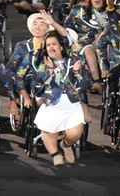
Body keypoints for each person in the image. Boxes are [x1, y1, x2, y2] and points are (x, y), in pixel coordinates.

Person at [33, 30, 90, 166]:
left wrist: (76, 73)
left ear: (61, 47)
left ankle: (66, 144)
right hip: (51, 102)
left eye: (54, 44)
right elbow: (37, 82)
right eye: (48, 45)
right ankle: (56, 154)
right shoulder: (42, 62)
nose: (51, 47)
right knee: (49, 131)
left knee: (76, 132)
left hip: (71, 103)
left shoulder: (73, 62)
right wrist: (50, 70)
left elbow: (86, 82)